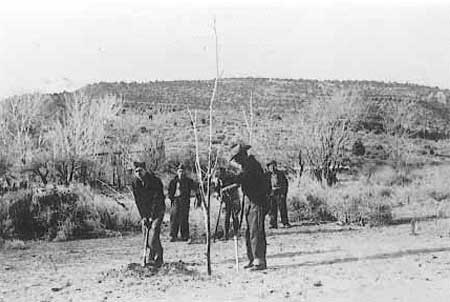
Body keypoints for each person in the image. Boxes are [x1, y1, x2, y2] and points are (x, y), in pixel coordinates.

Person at [230, 143, 270, 271]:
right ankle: (252, 259)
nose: (236, 160)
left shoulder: (252, 166)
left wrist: (231, 178)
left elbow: (244, 179)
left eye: (237, 157)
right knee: (249, 232)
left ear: (243, 155)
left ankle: (259, 261)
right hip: (249, 202)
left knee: (256, 231)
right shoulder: (246, 166)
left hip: (257, 202)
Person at [130, 161, 165, 267]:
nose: (138, 173)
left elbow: (157, 200)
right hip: (146, 213)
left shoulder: (155, 181)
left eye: (140, 170)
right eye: (136, 171)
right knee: (146, 234)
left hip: (158, 211)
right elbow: (138, 202)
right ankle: (151, 256)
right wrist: (144, 217)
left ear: (145, 170)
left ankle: (159, 257)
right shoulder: (135, 183)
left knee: (153, 233)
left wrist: (151, 216)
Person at [168, 164, 196, 242]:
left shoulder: (188, 181)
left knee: (184, 218)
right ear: (177, 172)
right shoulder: (173, 181)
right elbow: (170, 191)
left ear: (185, 172)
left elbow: (195, 187)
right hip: (176, 200)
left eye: (182, 171)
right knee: (174, 217)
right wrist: (171, 198)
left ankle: (185, 235)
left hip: (184, 200)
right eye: (180, 171)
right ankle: (173, 235)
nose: (181, 173)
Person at [212, 168, 241, 240]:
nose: (219, 179)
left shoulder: (231, 175)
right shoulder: (218, 179)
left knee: (235, 216)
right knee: (226, 217)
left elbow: (237, 184)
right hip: (225, 200)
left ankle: (236, 233)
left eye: (220, 177)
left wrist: (227, 188)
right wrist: (218, 196)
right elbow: (216, 189)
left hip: (234, 198)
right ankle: (226, 234)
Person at [266, 160, 290, 229]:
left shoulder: (280, 174)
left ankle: (285, 222)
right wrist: (268, 193)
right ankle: (273, 224)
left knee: (282, 208)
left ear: (275, 166)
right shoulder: (267, 175)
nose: (272, 168)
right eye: (270, 166)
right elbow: (265, 185)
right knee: (272, 209)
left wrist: (283, 193)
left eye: (273, 166)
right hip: (272, 193)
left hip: (279, 192)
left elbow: (285, 184)